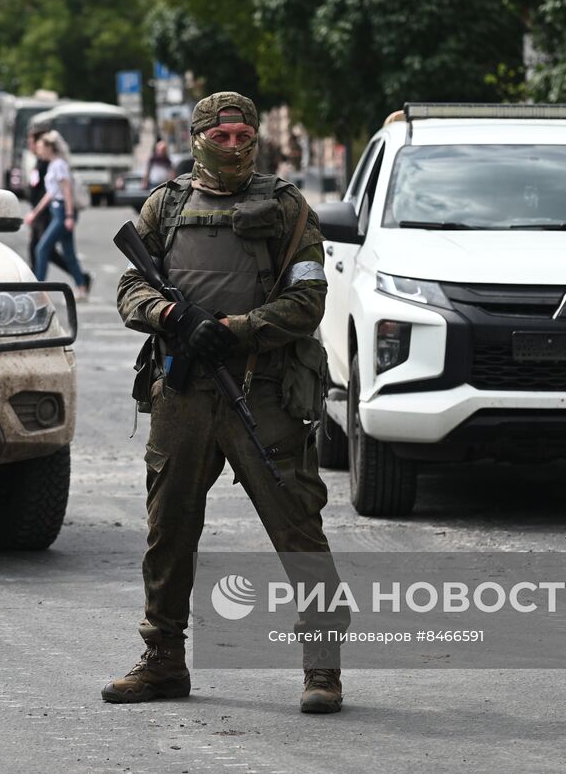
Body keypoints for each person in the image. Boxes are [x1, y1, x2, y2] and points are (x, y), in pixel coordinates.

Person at [106, 91, 346, 714]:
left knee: (297, 527)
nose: (235, 146)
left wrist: (237, 328)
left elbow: (307, 302)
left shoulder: (289, 208)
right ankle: (162, 660)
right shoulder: (167, 204)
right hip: (184, 391)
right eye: (223, 136)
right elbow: (132, 285)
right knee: (169, 530)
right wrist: (171, 314)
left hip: (262, 392)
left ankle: (323, 668)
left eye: (245, 136)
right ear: (198, 138)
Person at [24, 131, 88, 299]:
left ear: (49, 148)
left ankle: (39, 288)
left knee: (42, 248)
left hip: (62, 212)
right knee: (69, 253)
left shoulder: (59, 164)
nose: (38, 151)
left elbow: (66, 190)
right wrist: (35, 212)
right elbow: (50, 193)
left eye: (40, 148)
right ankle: (82, 287)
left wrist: (68, 216)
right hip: (56, 209)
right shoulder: (52, 164)